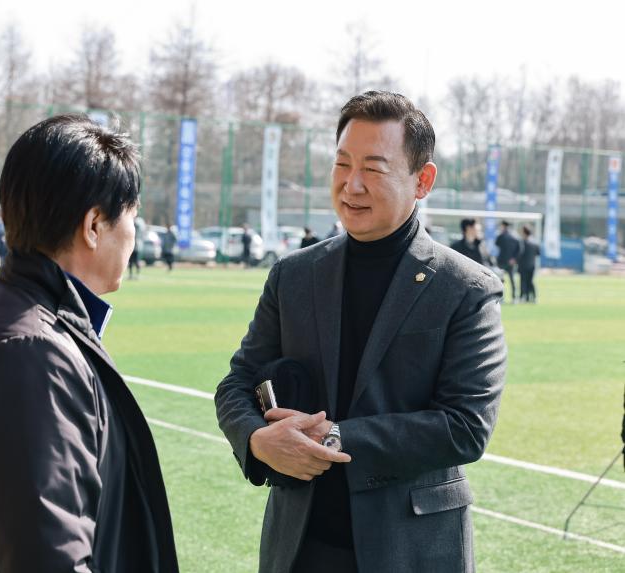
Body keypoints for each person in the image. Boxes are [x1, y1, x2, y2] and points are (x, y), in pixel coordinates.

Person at [215, 91, 506, 573]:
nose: (352, 184)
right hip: (300, 548)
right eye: (342, 164)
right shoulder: (294, 275)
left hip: (410, 551)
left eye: (373, 168)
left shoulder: (466, 289)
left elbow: (465, 426)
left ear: (423, 180)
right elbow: (237, 383)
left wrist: (334, 438)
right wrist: (256, 441)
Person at [0, 115, 178, 572]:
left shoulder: (24, 324)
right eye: (134, 217)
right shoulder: (30, 353)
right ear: (94, 225)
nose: (135, 235)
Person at [495, 220, 521, 303]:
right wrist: (514, 258)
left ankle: (501, 298)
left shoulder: (501, 236)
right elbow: (520, 249)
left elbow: (497, 244)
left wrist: (514, 258)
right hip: (510, 262)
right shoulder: (515, 236)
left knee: (501, 280)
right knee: (511, 280)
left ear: (503, 226)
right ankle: (514, 298)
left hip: (502, 261)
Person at [518, 225, 540, 302]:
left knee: (523, 282)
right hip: (532, 265)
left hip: (523, 265)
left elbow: (519, 254)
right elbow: (538, 253)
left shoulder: (521, 243)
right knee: (530, 281)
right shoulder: (535, 242)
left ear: (524, 232)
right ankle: (533, 297)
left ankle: (523, 297)